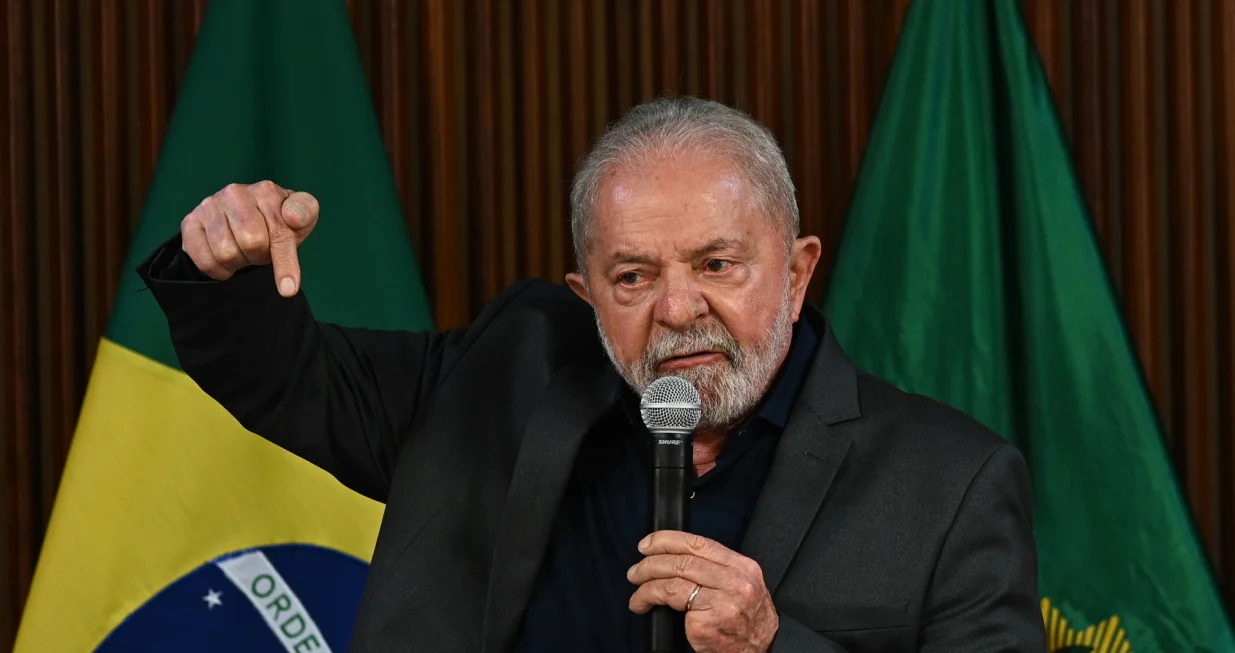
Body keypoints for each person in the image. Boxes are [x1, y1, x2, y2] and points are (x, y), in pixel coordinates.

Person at [138, 97, 1047, 652]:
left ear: (799, 269)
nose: (678, 308)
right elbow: (285, 378)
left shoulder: (950, 484)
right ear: (585, 291)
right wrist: (222, 266)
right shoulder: (500, 376)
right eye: (633, 275)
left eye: (718, 265)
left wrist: (772, 646)